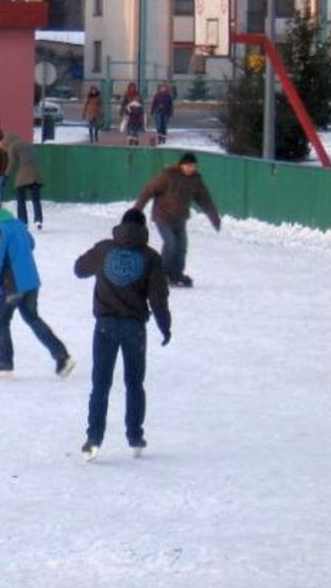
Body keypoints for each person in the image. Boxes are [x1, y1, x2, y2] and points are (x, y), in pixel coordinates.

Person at [74, 208, 171, 461]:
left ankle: (93, 439)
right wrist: (165, 325)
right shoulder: (150, 257)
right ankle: (135, 436)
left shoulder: (105, 249)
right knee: (134, 383)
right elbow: (158, 298)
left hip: (105, 326)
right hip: (134, 328)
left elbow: (79, 269)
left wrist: (99, 261)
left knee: (100, 385)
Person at [0, 193, 74, 379]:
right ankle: (62, 356)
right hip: (31, 282)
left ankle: (5, 362)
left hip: (12, 285)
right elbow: (31, 243)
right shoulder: (17, 224)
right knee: (32, 319)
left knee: (0, 321)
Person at [134, 152, 221, 288]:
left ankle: (176, 274)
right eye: (188, 166)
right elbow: (148, 191)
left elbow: (205, 199)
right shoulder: (168, 176)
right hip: (163, 216)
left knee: (181, 247)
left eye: (193, 166)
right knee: (171, 243)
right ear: (181, 165)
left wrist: (214, 217)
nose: (190, 169)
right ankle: (162, 275)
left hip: (180, 220)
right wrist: (136, 211)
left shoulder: (196, 180)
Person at [0, 132, 45, 229]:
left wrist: (6, 176)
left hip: (23, 174)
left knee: (21, 200)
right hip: (35, 173)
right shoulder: (27, 143)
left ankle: (23, 221)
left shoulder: (13, 146)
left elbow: (12, 162)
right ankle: (38, 220)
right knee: (36, 199)